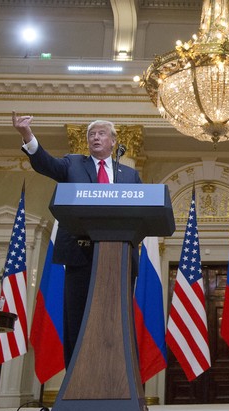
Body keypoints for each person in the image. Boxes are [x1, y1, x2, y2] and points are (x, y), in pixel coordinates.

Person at [12, 111, 143, 368]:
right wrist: (27, 134)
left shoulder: (129, 175)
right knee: (78, 318)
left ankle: (117, 376)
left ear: (113, 141)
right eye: (91, 134)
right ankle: (75, 378)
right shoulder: (73, 164)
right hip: (79, 254)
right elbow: (45, 164)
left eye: (101, 133)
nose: (95, 137)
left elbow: (140, 214)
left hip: (119, 257)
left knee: (116, 319)